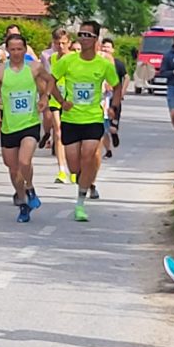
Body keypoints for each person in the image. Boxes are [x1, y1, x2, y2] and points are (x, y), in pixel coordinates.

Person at [47, 21, 120, 221]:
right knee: (74, 167)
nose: (84, 38)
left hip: (93, 118)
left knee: (88, 155)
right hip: (71, 118)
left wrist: (113, 106)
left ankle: (80, 203)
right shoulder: (68, 61)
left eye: (88, 35)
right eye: (81, 34)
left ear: (96, 39)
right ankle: (83, 180)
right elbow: (50, 80)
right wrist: (61, 101)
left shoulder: (103, 64)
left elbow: (117, 84)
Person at [0, 34, 52, 222]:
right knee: (12, 168)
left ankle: (30, 188)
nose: (16, 53)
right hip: (9, 126)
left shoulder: (34, 67)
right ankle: (23, 202)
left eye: (19, 49)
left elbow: (51, 80)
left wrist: (44, 97)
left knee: (24, 161)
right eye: (12, 49)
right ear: (7, 50)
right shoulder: (0, 71)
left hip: (30, 124)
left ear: (25, 49)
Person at [43, 28, 74, 184]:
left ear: (69, 42)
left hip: (72, 101)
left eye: (63, 43)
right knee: (58, 132)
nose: (61, 46)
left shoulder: (75, 58)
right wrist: (46, 94)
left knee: (73, 135)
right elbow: (50, 79)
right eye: (57, 43)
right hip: (56, 99)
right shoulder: (52, 58)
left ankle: (74, 168)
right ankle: (62, 170)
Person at [100, 38, 126, 157]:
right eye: (103, 46)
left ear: (113, 49)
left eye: (108, 47)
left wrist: (121, 93)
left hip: (112, 99)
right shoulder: (96, 61)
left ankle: (114, 133)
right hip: (100, 99)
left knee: (111, 128)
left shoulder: (118, 64)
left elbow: (126, 78)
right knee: (103, 127)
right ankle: (108, 150)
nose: (105, 49)